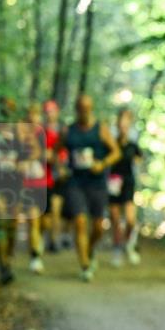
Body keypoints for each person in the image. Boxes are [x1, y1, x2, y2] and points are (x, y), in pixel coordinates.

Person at [61, 94, 121, 282]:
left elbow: (116, 152)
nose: (84, 112)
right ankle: (85, 265)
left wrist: (102, 164)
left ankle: (89, 249)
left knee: (98, 227)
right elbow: (56, 152)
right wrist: (60, 167)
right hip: (75, 183)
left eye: (88, 108)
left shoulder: (100, 129)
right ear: (76, 109)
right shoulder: (68, 131)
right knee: (79, 222)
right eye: (81, 108)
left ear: (91, 108)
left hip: (96, 183)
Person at [0, 98, 25, 285]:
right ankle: (2, 264)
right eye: (4, 106)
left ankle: (8, 257)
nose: (6, 110)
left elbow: (30, 152)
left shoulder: (19, 130)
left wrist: (22, 163)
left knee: (12, 225)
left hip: (14, 183)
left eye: (10, 107)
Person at [107, 107, 143, 267]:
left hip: (128, 182)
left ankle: (128, 244)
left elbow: (139, 159)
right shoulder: (111, 143)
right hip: (113, 182)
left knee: (130, 220)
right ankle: (117, 249)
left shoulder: (133, 145)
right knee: (115, 220)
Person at [20, 103, 50, 274]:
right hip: (27, 184)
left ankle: (39, 242)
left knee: (44, 221)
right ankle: (35, 258)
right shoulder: (19, 134)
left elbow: (50, 153)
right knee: (33, 219)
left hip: (44, 184)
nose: (33, 117)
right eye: (30, 114)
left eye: (36, 114)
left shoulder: (44, 134)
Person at [42, 99, 70, 253]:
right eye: (47, 111)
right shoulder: (41, 131)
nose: (49, 114)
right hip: (45, 176)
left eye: (52, 111)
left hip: (60, 174)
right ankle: (47, 236)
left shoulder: (63, 130)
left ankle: (54, 239)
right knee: (47, 213)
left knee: (57, 208)